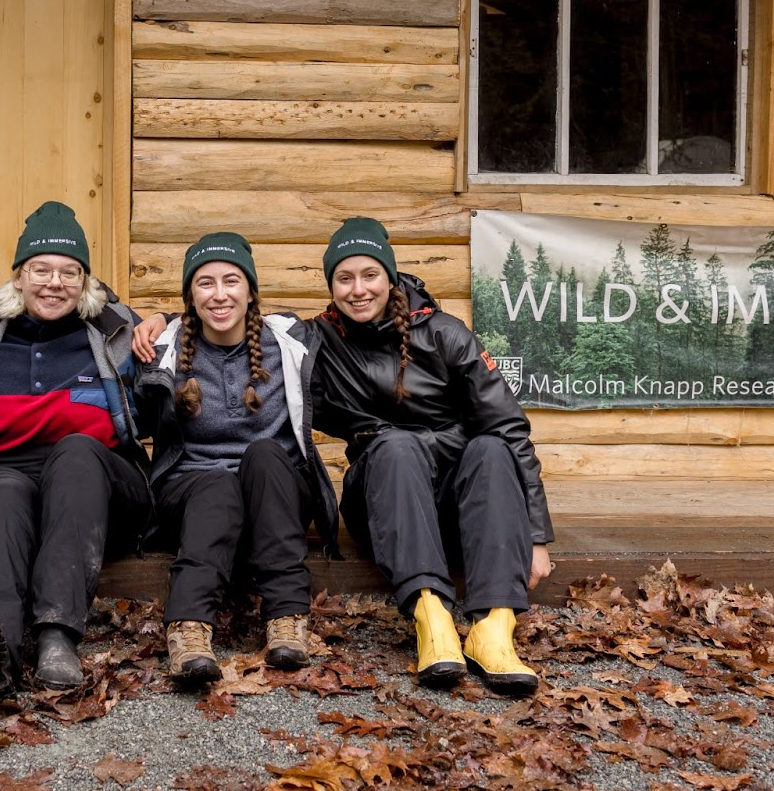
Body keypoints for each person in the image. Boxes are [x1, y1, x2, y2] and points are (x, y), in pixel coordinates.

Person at [314, 217, 553, 695]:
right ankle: (433, 617)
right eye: (345, 278)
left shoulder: (445, 334)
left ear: (390, 276)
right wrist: (159, 321)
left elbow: (509, 427)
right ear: (331, 285)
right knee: (396, 444)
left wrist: (536, 536)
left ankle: (494, 628)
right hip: (384, 502)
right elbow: (232, 320)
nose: (358, 289)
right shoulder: (317, 340)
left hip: (456, 506)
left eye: (369, 275)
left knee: (490, 446)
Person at [0, 202, 152, 700]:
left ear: (86, 283)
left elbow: (198, 327)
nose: (54, 283)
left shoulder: (117, 326)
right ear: (18, 277)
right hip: (7, 470)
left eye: (69, 272)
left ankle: (57, 637)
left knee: (77, 450)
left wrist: (162, 319)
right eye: (40, 270)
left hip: (100, 482)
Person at [134, 233, 339, 683]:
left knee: (265, 453)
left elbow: (364, 304)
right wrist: (156, 317)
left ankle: (287, 620)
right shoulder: (165, 346)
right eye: (205, 283)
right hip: (193, 489)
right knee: (216, 482)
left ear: (250, 290)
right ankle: (188, 629)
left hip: (274, 488)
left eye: (232, 280)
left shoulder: (289, 339)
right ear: (191, 295)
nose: (220, 294)